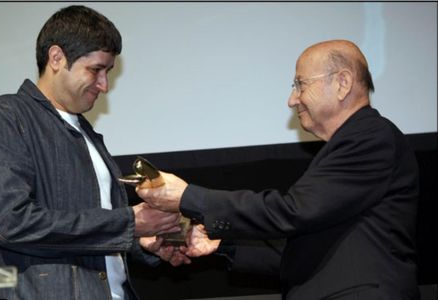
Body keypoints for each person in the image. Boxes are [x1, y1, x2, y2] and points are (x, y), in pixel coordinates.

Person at [137, 40, 420, 300]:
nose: (292, 99)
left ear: (343, 82)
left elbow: (293, 212)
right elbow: (307, 248)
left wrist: (188, 197)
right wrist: (221, 244)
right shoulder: (350, 146)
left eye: (300, 84)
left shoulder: (370, 136)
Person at [0, 5, 189, 300]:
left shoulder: (86, 134)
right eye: (96, 69)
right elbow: (11, 224)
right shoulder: (8, 116)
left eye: (108, 72)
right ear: (57, 57)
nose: (105, 85)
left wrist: (142, 241)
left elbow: (91, 238)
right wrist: (128, 223)